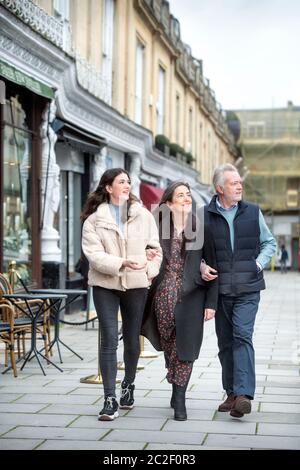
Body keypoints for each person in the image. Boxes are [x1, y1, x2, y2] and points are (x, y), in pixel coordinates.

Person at [81, 168, 162, 421]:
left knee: (130, 338)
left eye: (129, 181)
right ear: (108, 187)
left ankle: (128, 383)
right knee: (108, 338)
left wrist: (149, 268)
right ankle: (109, 398)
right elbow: (93, 256)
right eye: (121, 181)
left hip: (137, 284)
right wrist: (122, 262)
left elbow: (155, 249)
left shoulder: (144, 216)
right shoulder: (94, 220)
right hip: (105, 284)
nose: (127, 185)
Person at [201, 163, 276, 418]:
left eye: (239, 182)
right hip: (219, 290)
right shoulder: (204, 215)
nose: (239, 186)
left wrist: (257, 264)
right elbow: (194, 252)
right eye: (234, 183)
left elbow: (269, 242)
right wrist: (201, 266)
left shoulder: (253, 212)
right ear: (220, 188)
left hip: (248, 288)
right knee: (225, 343)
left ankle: (243, 394)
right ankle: (231, 393)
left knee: (242, 335)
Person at [142, 181, 218, 421]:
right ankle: (175, 380)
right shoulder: (157, 227)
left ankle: (180, 397)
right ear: (168, 203)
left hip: (192, 295)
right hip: (163, 293)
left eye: (188, 195)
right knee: (169, 343)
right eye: (181, 195)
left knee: (185, 346)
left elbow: (214, 268)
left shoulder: (200, 228)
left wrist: (211, 303)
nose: (187, 198)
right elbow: (140, 252)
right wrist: (145, 253)